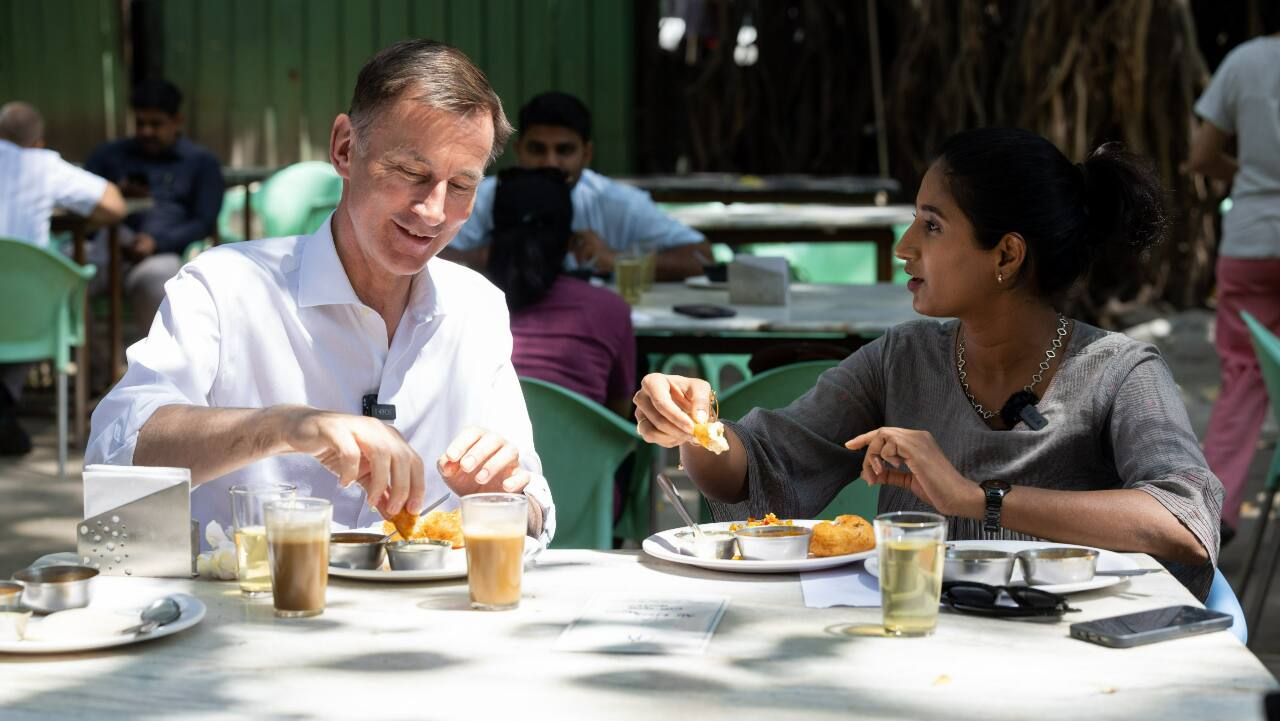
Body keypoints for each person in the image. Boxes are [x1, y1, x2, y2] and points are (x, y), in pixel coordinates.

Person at [634, 128, 1222, 600]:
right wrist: (693, 422)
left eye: (932, 225)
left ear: (1007, 254)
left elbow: (1184, 522)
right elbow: (759, 470)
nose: (904, 245)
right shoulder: (903, 358)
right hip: (918, 649)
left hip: (1076, 667)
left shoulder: (1118, 371)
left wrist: (976, 497)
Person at [85, 39, 555, 545]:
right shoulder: (226, 286)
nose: (434, 211)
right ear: (345, 149)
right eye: (411, 173)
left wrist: (501, 497)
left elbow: (535, 510)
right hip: (255, 612)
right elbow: (117, 454)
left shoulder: (475, 306)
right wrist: (284, 427)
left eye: (461, 185)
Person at [1185, 12, 1280, 542]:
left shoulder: (1244, 61)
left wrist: (1250, 178)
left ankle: (1212, 510)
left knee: (1245, 375)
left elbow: (1200, 156)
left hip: (1251, 237)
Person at [444, 91, 711, 280]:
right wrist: (491, 257)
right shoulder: (486, 196)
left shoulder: (617, 202)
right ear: (518, 151)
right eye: (537, 149)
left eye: (564, 150)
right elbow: (432, 253)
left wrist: (618, 262)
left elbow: (701, 258)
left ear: (586, 154)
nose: (550, 162)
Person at [0, 101, 125, 455]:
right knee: (44, 289)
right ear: (36, 143)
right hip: (27, 317)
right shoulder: (42, 166)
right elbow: (114, 205)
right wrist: (83, 222)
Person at [486, 166, 636, 416]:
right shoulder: (610, 309)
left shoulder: (460, 305)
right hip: (583, 453)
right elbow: (619, 413)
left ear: (492, 236)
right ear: (569, 240)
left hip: (477, 454)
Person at [85, 79, 224, 335]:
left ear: (177, 121)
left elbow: (204, 220)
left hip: (161, 255)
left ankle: (158, 372)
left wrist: (156, 242)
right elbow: (81, 201)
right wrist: (114, 194)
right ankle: (95, 368)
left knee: (161, 285)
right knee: (64, 276)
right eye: (140, 124)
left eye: (156, 124)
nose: (147, 131)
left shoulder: (200, 163)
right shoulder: (109, 155)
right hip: (106, 247)